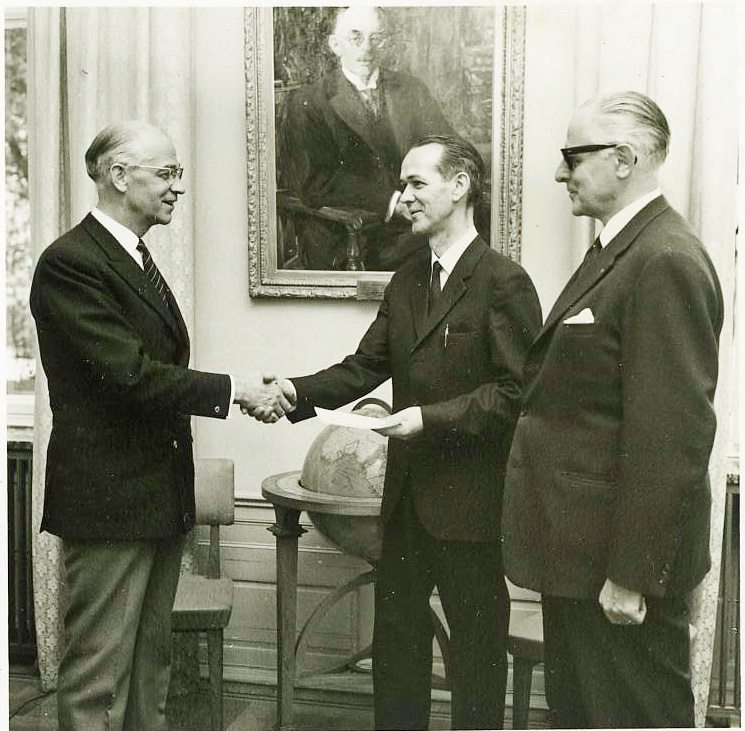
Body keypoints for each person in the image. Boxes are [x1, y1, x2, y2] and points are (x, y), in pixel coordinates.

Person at [273, 135, 542, 730]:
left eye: (417, 183)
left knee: (475, 662)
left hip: (471, 507)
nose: (404, 197)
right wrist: (295, 391)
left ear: (460, 186)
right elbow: (362, 367)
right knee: (396, 657)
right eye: (403, 184)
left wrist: (428, 419)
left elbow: (517, 394)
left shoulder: (503, 281)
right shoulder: (406, 281)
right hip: (404, 505)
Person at [29, 121, 291, 731]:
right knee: (99, 683)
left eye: (179, 173)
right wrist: (234, 390)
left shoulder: (134, 258)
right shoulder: (71, 263)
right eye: (166, 173)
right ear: (119, 176)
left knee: (152, 671)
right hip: (110, 504)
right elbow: (130, 376)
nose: (178, 187)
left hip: (155, 498)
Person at [501, 91, 724, 728]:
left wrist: (631, 575)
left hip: (616, 573)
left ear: (623, 160)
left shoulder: (665, 259)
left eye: (573, 157)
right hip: (580, 558)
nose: (560, 172)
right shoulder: (621, 249)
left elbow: (671, 438)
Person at [278, 6, 455, 271]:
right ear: (335, 45)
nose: (367, 48)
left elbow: (448, 146)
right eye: (355, 37)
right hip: (348, 234)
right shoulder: (308, 102)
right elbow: (315, 182)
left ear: (387, 43)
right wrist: (392, 202)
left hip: (416, 223)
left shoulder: (411, 90)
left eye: (376, 38)